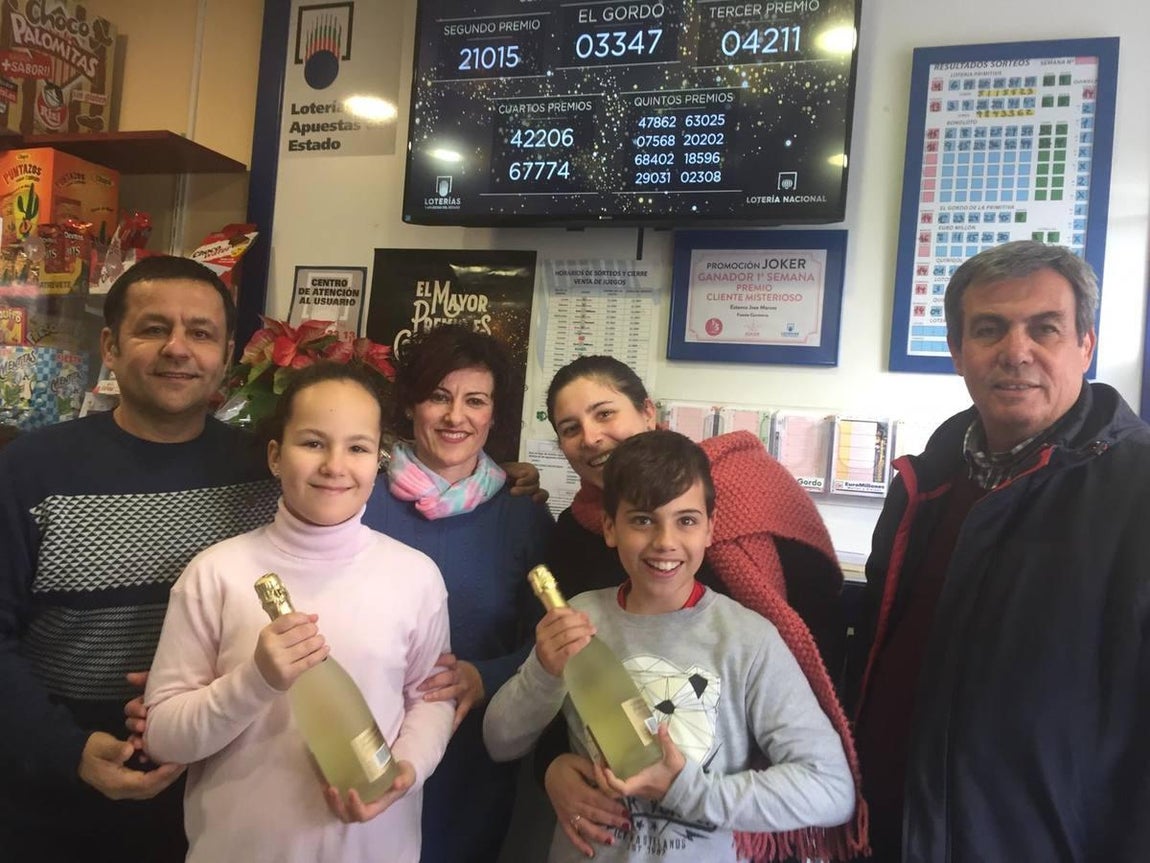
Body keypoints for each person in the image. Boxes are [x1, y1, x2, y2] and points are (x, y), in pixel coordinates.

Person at [848, 240, 1150, 862]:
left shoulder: (1137, 492)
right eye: (989, 329)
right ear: (958, 352)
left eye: (1046, 328)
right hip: (890, 831)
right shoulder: (923, 483)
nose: (1017, 352)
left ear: (1085, 346)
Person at [0, 255, 279, 861]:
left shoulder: (267, 473)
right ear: (110, 343)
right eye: (154, 328)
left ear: (227, 355)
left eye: (201, 333)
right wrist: (65, 748)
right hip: (57, 799)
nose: (178, 348)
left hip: (221, 789)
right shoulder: (30, 470)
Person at [539, 355, 867, 860]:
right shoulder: (571, 536)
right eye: (570, 428)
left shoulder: (742, 487)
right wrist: (554, 766)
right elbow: (558, 676)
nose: (591, 436)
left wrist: (743, 776)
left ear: (648, 412)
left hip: (740, 795)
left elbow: (813, 628)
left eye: (605, 414)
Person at [143, 362, 454, 862]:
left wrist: (406, 768)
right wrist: (257, 680)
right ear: (275, 456)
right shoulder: (216, 573)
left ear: (379, 459)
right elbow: (163, 737)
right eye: (312, 443)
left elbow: (432, 697)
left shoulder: (415, 576)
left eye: (357, 447)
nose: (334, 465)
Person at [362, 325, 554, 863]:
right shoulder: (358, 501)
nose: (455, 417)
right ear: (411, 405)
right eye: (438, 397)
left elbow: (553, 634)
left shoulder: (522, 514)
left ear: (494, 415)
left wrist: (484, 675)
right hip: (364, 741)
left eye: (475, 401)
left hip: (471, 755)